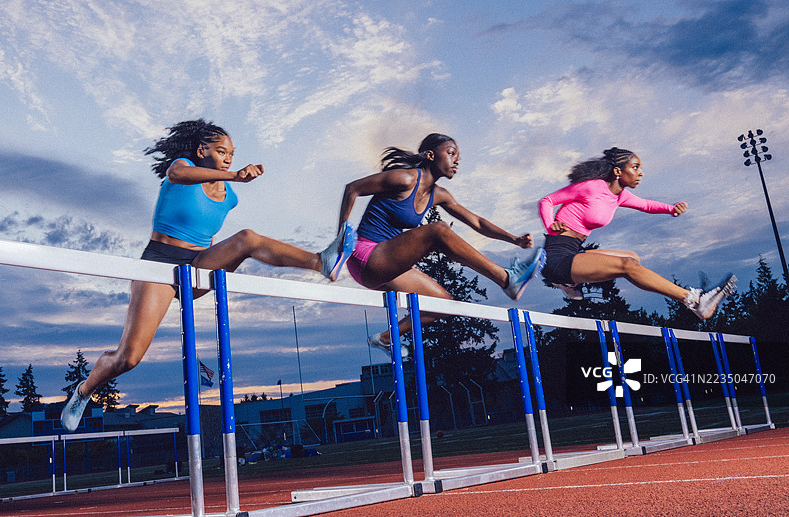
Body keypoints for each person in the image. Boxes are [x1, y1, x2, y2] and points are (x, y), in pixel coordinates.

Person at [61, 119, 356, 432]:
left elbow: (210, 239)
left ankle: (321, 262)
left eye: (231, 153)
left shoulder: (229, 196)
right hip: (159, 265)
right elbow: (177, 175)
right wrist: (234, 176)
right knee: (128, 358)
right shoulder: (183, 168)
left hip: (197, 267)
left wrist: (215, 263)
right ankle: (83, 391)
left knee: (247, 239)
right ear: (202, 150)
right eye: (220, 151)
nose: (229, 157)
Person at [338, 133, 546, 356]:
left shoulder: (439, 195)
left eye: (458, 157)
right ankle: (506, 279)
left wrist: (513, 239)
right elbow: (352, 189)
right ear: (430, 155)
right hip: (365, 255)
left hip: (385, 264)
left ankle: (385, 338)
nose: (456, 160)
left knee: (442, 303)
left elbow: (477, 222)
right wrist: (341, 238)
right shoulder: (405, 178)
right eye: (451, 153)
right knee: (438, 230)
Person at [538, 147, 735, 318]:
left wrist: (671, 208)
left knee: (632, 257)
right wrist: (550, 226)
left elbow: (646, 205)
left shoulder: (620, 196)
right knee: (627, 265)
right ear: (617, 171)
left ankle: (567, 282)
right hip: (556, 257)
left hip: (573, 252)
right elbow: (547, 201)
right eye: (635, 167)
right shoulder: (591, 187)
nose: (640, 173)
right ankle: (693, 300)